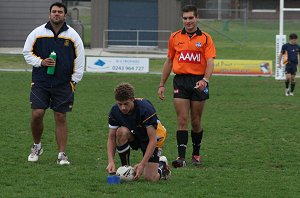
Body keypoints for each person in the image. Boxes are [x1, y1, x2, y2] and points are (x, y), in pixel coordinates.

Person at [23, 2, 85, 165]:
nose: (56, 14)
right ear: (49, 14)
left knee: (60, 116)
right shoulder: (37, 33)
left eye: (60, 12)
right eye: (54, 11)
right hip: (41, 82)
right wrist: (41, 62)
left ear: (65, 15)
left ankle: (61, 154)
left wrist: (74, 81)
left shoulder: (73, 35)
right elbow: (26, 52)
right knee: (37, 114)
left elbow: (80, 59)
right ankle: (37, 146)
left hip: (63, 83)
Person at [157, 5, 216, 168]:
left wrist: (205, 80)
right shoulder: (174, 37)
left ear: (197, 18)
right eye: (185, 18)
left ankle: (196, 154)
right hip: (181, 81)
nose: (188, 21)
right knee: (182, 119)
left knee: (196, 121)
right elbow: (169, 61)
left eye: (191, 18)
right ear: (182, 19)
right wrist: (162, 84)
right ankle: (180, 158)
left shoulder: (205, 38)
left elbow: (210, 61)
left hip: (199, 82)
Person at [106, 83, 170, 181]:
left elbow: (153, 140)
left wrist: (142, 164)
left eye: (126, 103)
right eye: (120, 104)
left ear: (133, 99)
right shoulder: (115, 111)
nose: (123, 107)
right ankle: (126, 168)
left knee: (150, 178)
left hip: (154, 139)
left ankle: (162, 165)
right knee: (121, 132)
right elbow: (111, 137)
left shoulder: (145, 109)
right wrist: (111, 161)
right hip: (136, 134)